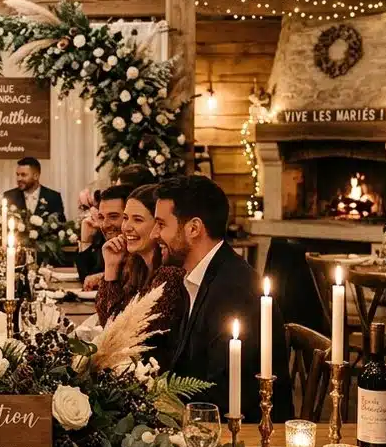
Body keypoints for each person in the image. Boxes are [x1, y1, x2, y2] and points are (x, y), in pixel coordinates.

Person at [154, 175, 289, 423]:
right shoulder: (198, 277)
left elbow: (221, 394)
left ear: (193, 228)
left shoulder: (234, 291)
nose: (154, 234)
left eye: (161, 224)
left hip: (240, 434)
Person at [95, 184, 189, 366]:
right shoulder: (136, 265)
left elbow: (120, 336)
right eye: (125, 218)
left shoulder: (170, 275)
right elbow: (106, 323)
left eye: (137, 220)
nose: (126, 228)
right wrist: (111, 266)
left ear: (158, 226)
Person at [76, 184, 132, 288]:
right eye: (101, 217)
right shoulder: (108, 244)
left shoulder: (142, 250)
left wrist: (103, 277)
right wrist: (85, 241)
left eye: (113, 216)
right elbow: (86, 279)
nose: (105, 225)